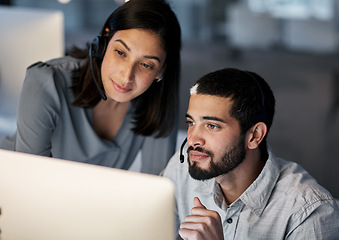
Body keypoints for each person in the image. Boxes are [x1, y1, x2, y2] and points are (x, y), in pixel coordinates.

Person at [0, 0, 181, 175]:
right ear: (104, 43)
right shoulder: (46, 82)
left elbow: (156, 187)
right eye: (120, 53)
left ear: (161, 70)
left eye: (146, 65)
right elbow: (30, 182)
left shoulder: (158, 105)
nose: (126, 77)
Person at [163, 68, 339, 239]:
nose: (193, 139)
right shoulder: (181, 169)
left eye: (212, 126)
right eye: (191, 123)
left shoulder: (309, 212)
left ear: (254, 136)